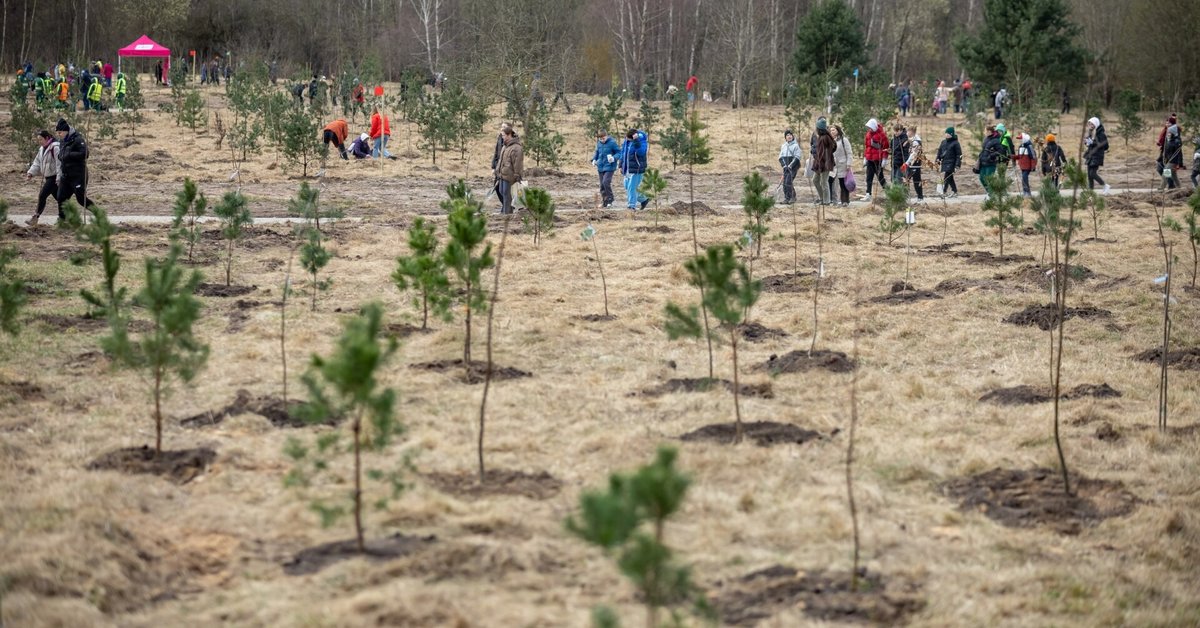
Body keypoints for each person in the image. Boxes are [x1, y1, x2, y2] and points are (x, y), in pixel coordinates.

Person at [54, 118, 96, 211]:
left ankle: (98, 213)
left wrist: (69, 154)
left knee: (81, 199)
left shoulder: (78, 139)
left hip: (78, 175)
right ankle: (62, 218)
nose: (58, 134)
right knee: (61, 198)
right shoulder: (62, 141)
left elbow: (85, 154)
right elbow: (62, 154)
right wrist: (60, 156)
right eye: (57, 132)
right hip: (66, 175)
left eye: (60, 132)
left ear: (66, 131)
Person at [25, 130, 61, 225]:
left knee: (42, 196)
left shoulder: (55, 147)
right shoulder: (42, 149)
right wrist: (31, 173)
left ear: (47, 138)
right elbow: (37, 162)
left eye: (41, 139)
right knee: (60, 198)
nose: (39, 142)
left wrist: (59, 178)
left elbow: (59, 164)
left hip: (54, 177)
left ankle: (35, 218)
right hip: (48, 177)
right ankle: (67, 216)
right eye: (38, 140)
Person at [619, 128, 649, 210]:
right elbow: (623, 152)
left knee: (632, 188)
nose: (627, 140)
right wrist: (621, 165)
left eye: (629, 139)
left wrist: (636, 141)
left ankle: (631, 206)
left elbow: (641, 152)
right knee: (627, 186)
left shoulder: (642, 141)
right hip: (627, 168)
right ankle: (644, 199)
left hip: (636, 168)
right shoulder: (627, 140)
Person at [495, 127, 523, 214]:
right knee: (502, 192)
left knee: (507, 196)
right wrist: (497, 171)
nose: (502, 137)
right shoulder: (505, 146)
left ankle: (507, 214)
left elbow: (518, 163)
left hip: (510, 176)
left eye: (503, 135)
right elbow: (501, 160)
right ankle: (505, 212)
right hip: (502, 175)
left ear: (509, 135)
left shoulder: (517, 148)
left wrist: (517, 175)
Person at [592, 129, 620, 208]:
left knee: (605, 182)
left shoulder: (612, 143)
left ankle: (610, 199)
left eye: (603, 138)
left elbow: (619, 152)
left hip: (610, 166)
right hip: (600, 166)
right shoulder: (599, 143)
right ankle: (605, 201)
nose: (602, 140)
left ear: (606, 136)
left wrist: (614, 158)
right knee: (602, 185)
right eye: (600, 139)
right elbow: (597, 153)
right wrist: (594, 159)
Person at [862, 118, 888, 201]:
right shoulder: (868, 134)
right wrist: (865, 157)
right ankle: (868, 194)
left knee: (880, 177)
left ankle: (888, 192)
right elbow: (867, 147)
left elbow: (885, 147)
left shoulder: (882, 135)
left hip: (878, 160)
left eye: (870, 127)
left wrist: (884, 159)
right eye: (868, 128)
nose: (869, 129)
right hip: (870, 159)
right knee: (869, 177)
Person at [812, 119, 836, 206]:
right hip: (820, 164)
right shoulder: (824, 137)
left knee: (824, 183)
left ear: (819, 129)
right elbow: (834, 147)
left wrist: (821, 165)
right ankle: (822, 198)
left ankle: (826, 201)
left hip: (824, 165)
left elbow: (823, 154)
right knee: (815, 180)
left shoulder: (824, 138)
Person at [1083, 117, 1110, 193]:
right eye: (1089, 124)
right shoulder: (1091, 132)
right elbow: (1089, 143)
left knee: (1092, 173)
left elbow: (1106, 145)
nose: (1090, 125)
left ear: (1096, 124)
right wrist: (1087, 142)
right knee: (1089, 175)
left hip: (1097, 156)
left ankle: (1105, 185)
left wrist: (1093, 143)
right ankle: (1090, 192)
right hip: (1091, 155)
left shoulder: (1101, 134)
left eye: (1092, 124)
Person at [977, 125, 1003, 195]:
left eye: (985, 131)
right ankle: (990, 192)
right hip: (983, 162)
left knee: (989, 179)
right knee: (981, 178)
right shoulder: (986, 139)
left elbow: (1000, 151)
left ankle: (992, 195)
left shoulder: (996, 140)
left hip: (991, 163)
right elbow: (984, 149)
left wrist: (991, 156)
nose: (984, 132)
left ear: (989, 131)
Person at [778, 129, 802, 205]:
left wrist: (790, 165)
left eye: (790, 135)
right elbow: (780, 157)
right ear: (785, 137)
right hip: (785, 167)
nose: (789, 136)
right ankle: (787, 198)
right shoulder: (783, 146)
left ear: (793, 136)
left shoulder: (796, 146)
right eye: (787, 135)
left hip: (793, 167)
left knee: (788, 181)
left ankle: (793, 197)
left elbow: (797, 157)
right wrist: (784, 165)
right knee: (785, 182)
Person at [936, 127, 962, 198]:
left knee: (947, 177)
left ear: (952, 134)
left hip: (952, 163)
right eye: (946, 133)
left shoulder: (956, 143)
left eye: (948, 133)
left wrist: (957, 165)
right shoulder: (943, 142)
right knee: (950, 178)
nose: (946, 135)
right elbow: (939, 152)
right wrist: (937, 159)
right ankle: (954, 191)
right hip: (944, 162)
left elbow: (959, 155)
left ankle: (943, 192)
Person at [831, 124, 853, 206]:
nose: (832, 132)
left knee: (844, 183)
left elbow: (849, 153)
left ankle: (845, 201)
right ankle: (840, 200)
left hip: (843, 164)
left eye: (833, 130)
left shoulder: (844, 140)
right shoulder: (832, 141)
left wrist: (849, 164)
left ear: (838, 130)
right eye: (831, 130)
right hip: (835, 166)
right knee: (839, 183)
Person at [1160, 123, 1184, 189]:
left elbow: (1179, 153)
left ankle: (1161, 188)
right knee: (1174, 175)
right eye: (1168, 132)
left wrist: (1180, 164)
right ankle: (1179, 187)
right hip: (1169, 160)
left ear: (1173, 133)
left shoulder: (1177, 141)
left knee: (1165, 173)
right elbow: (1167, 152)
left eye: (1169, 133)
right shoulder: (1169, 140)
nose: (1168, 134)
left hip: (1173, 161)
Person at [904, 133, 925, 202]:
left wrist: (907, 163)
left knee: (916, 181)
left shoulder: (916, 142)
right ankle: (906, 196)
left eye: (908, 132)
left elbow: (913, 154)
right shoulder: (911, 141)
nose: (907, 134)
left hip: (915, 165)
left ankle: (920, 196)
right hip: (910, 165)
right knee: (906, 180)